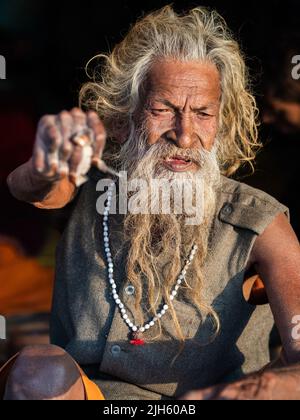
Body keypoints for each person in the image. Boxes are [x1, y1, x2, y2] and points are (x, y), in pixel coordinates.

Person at [3, 6, 300, 400]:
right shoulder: (89, 186)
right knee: (37, 372)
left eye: (203, 113)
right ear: (123, 117)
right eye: (163, 110)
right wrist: (46, 165)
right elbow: (30, 187)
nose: (185, 134)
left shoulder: (259, 221)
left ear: (221, 124)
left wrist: (255, 388)